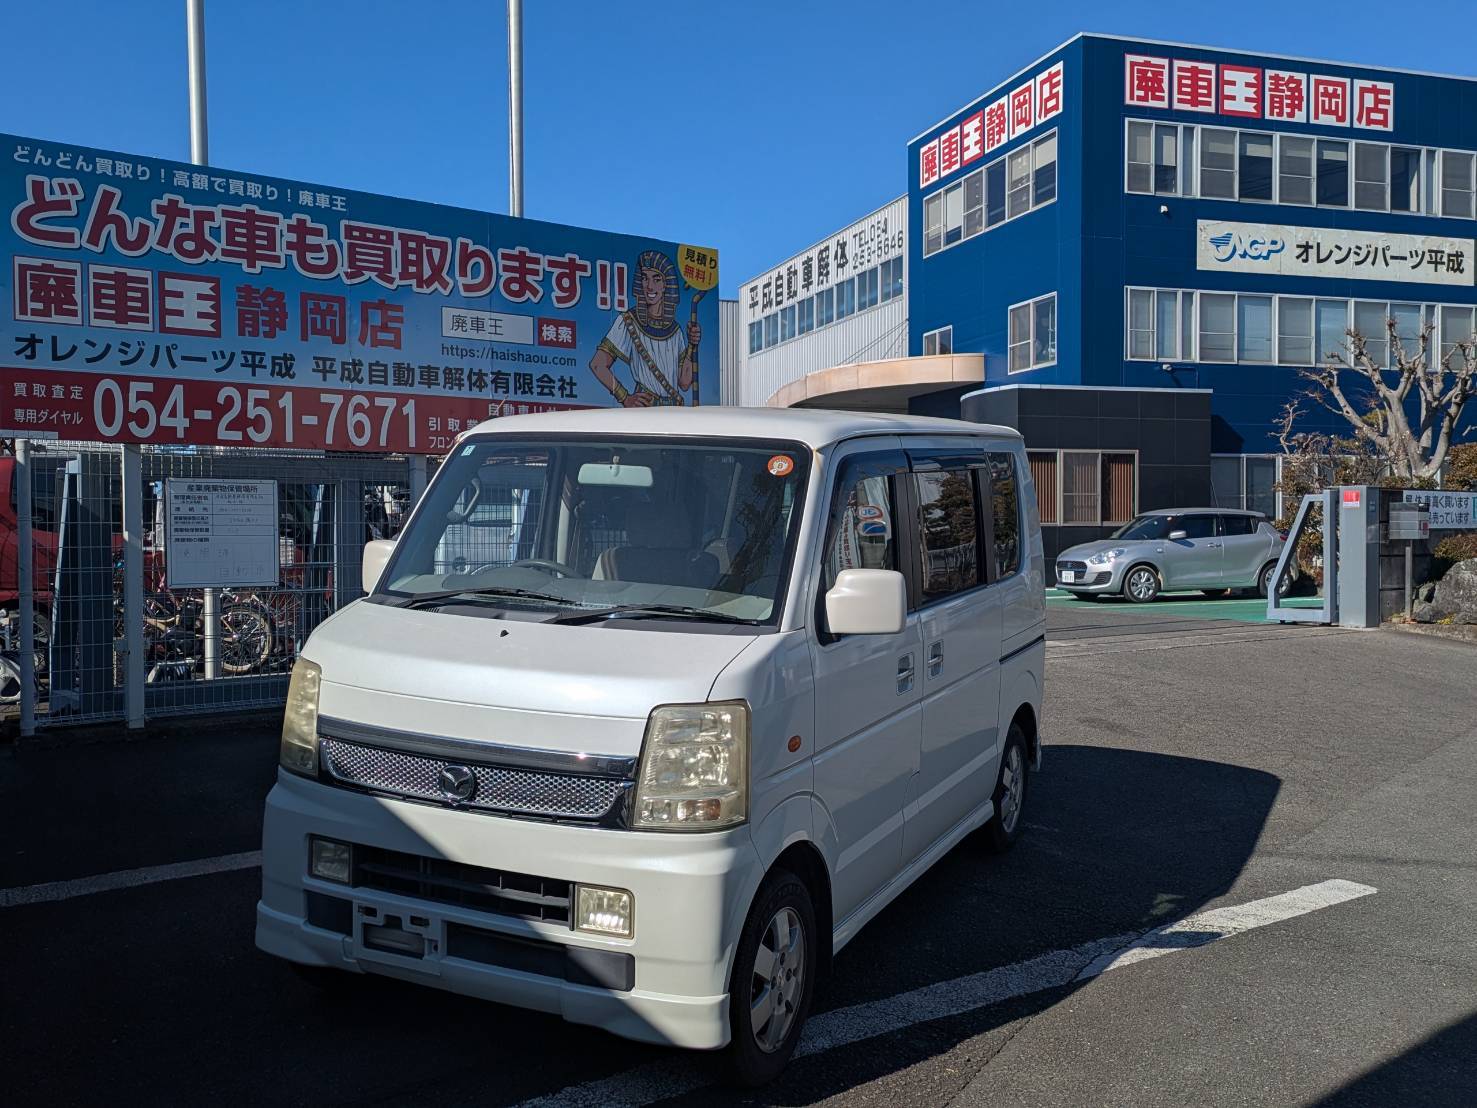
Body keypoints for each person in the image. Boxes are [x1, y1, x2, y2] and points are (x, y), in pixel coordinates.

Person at [589, 250, 700, 406]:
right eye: (644, 278)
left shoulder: (675, 330)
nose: (649, 286)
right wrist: (625, 398)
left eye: (656, 279)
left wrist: (692, 346)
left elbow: (684, 383)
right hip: (646, 409)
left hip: (674, 412)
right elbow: (597, 364)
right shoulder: (627, 322)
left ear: (666, 285)